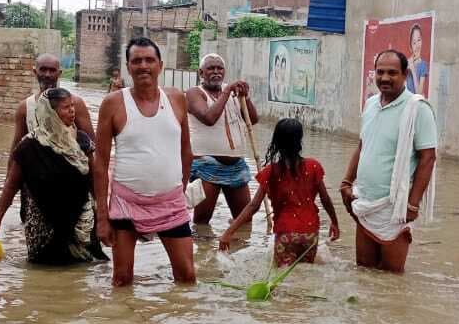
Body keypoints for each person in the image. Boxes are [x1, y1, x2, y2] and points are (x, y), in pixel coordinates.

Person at [95, 37, 196, 286]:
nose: (143, 66)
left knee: (187, 277)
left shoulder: (176, 99)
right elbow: (100, 162)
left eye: (149, 60)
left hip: (171, 203)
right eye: (136, 61)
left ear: (160, 65)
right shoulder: (113, 104)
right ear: (128, 67)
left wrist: (180, 191)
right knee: (122, 279)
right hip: (126, 203)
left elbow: (187, 152)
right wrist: (102, 217)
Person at [0, 89, 104, 264]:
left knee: (82, 272)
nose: (72, 111)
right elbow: (11, 186)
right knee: (44, 273)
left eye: (72, 106)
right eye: (66, 108)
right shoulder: (29, 147)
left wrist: (103, 217)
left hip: (81, 225)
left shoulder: (81, 141)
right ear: (50, 112)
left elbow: (94, 180)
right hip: (44, 228)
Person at [340, 49, 437, 273]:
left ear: (405, 75)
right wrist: (346, 181)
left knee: (392, 277)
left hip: (395, 208)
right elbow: (363, 145)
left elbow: (428, 158)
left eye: (392, 73)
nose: (384, 78)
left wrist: (413, 204)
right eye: (380, 72)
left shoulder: (417, 109)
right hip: (364, 202)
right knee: (363, 272)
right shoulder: (371, 104)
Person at [6, 52, 106, 259]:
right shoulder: (26, 108)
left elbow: (92, 150)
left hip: (73, 190)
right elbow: (17, 151)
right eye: (43, 69)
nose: (48, 74)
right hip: (36, 190)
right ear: (35, 72)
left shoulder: (74, 104)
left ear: (59, 73)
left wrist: (101, 202)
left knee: (81, 252)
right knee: (41, 251)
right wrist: (9, 186)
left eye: (52, 70)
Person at [219, 118, 340, 265]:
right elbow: (325, 199)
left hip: (286, 233)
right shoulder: (314, 166)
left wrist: (228, 232)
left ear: (276, 142)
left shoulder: (271, 172)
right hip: (310, 233)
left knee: (282, 278)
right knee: (305, 275)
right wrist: (334, 222)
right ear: (300, 140)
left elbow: (253, 206)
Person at [186, 53, 259, 226]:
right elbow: (209, 118)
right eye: (211, 68)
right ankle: (204, 252)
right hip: (206, 166)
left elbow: (253, 120)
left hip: (236, 166)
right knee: (202, 224)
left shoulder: (233, 94)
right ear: (201, 72)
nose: (216, 72)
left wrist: (245, 97)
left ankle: (234, 251)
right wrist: (227, 91)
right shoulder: (194, 93)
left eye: (220, 68)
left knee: (244, 221)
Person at [406, 23, 430, 97]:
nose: (417, 45)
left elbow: (418, 94)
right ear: (411, 46)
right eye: (414, 42)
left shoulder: (423, 65)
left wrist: (413, 70)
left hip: (416, 105)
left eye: (419, 40)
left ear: (422, 41)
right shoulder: (406, 63)